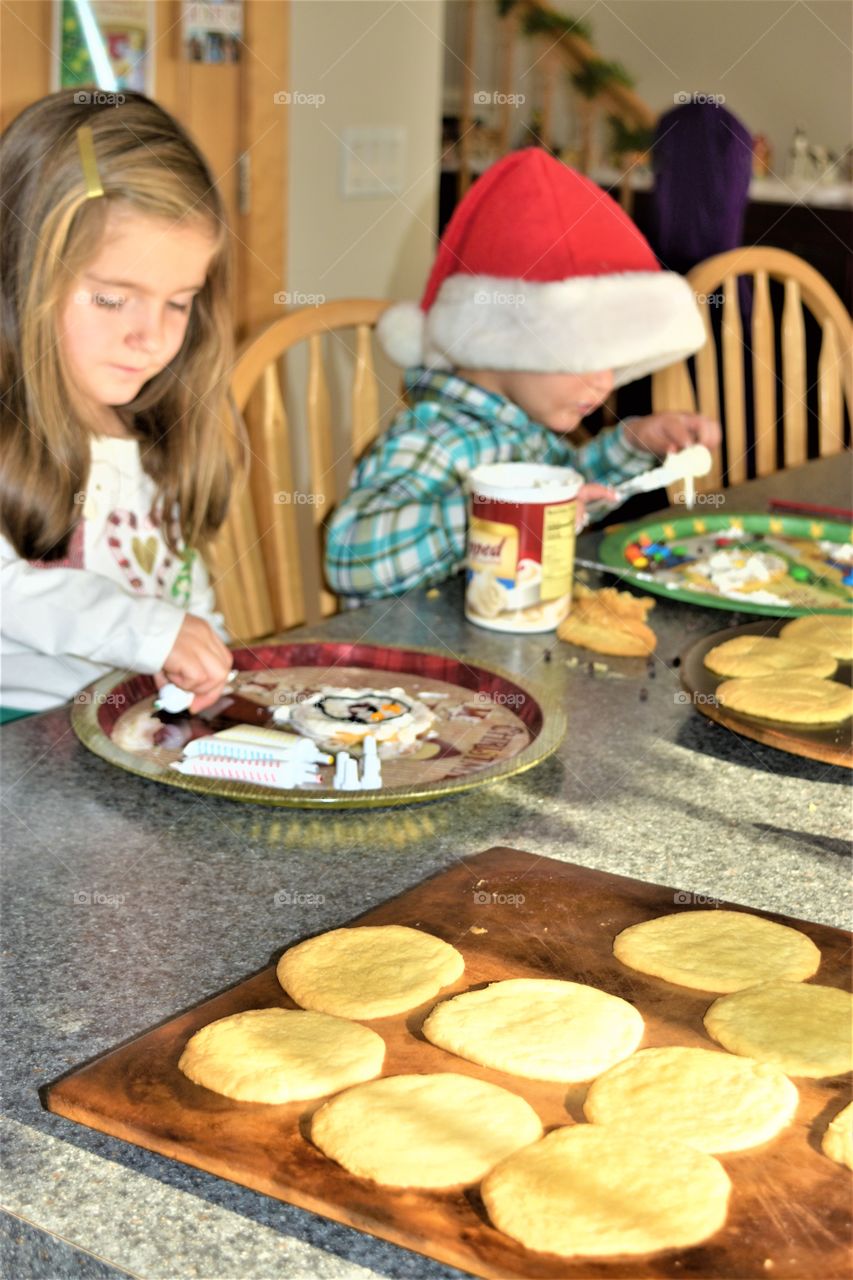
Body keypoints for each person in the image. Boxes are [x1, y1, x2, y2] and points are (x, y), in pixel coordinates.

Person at [325, 148, 720, 601]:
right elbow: (347, 559)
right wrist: (495, 512)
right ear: (506, 343)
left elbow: (572, 480)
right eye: (583, 359)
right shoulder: (431, 439)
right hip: (412, 660)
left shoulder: (522, 426)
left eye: (611, 363)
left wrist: (634, 443)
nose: (605, 383)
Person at [0, 90, 237, 720]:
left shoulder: (156, 431)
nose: (151, 337)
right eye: (112, 298)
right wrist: (151, 631)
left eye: (179, 301)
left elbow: (184, 594)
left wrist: (208, 660)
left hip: (132, 733)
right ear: (21, 276)